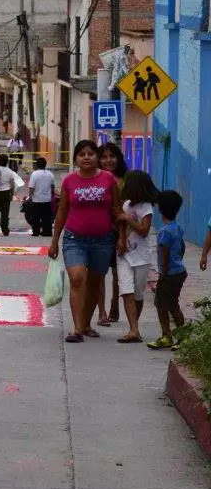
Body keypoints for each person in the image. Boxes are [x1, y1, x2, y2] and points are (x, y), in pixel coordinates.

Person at [49, 139, 120, 343]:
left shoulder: (108, 179)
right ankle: (76, 328)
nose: (86, 157)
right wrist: (54, 241)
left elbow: (116, 211)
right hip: (74, 239)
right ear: (76, 159)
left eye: (90, 153)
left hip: (103, 240)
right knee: (78, 278)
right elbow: (62, 212)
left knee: (95, 283)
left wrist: (122, 238)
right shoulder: (69, 181)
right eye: (82, 154)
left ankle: (86, 323)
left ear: (97, 157)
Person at [114, 170, 159, 343]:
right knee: (126, 291)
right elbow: (121, 227)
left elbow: (143, 231)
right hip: (124, 255)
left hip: (141, 256)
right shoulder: (126, 205)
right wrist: (121, 239)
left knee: (138, 295)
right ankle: (133, 330)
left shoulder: (146, 207)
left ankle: (135, 327)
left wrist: (128, 218)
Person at [146, 190, 187, 349]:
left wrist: (162, 274)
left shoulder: (164, 231)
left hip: (168, 274)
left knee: (164, 305)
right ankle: (180, 337)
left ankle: (168, 336)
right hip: (179, 271)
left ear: (161, 208)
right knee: (171, 304)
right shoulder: (177, 227)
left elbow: (164, 253)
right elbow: (182, 247)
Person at [95, 142, 128, 325]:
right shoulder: (93, 179)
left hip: (120, 232)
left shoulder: (126, 180)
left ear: (118, 158)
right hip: (99, 232)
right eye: (104, 157)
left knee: (118, 273)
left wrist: (123, 234)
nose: (108, 160)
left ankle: (115, 305)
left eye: (112, 156)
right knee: (99, 273)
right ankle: (101, 312)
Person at [0, 153, 25, 236]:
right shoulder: (10, 172)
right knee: (5, 213)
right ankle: (5, 230)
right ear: (7, 162)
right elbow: (12, 185)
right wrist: (11, 194)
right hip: (5, 193)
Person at [28, 156, 55, 236]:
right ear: (45, 165)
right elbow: (52, 186)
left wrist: (30, 197)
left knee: (35, 217)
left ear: (36, 165)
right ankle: (47, 232)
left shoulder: (34, 174)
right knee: (46, 217)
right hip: (47, 199)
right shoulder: (50, 174)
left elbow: (31, 187)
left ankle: (36, 232)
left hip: (37, 199)